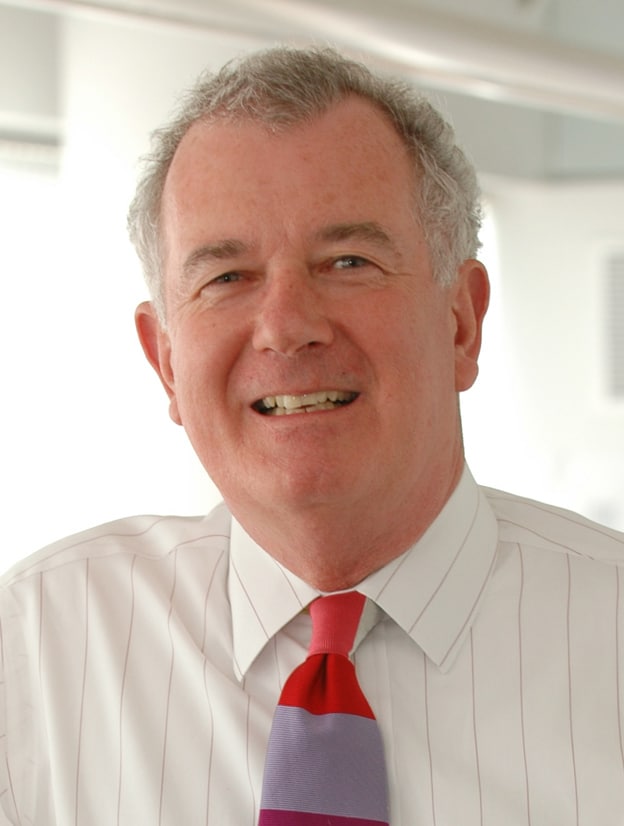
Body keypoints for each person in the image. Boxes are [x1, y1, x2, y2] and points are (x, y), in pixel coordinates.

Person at [0, 46, 622, 826]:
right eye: (227, 277)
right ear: (166, 362)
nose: (287, 325)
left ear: (461, 322)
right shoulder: (33, 651)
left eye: (348, 261)